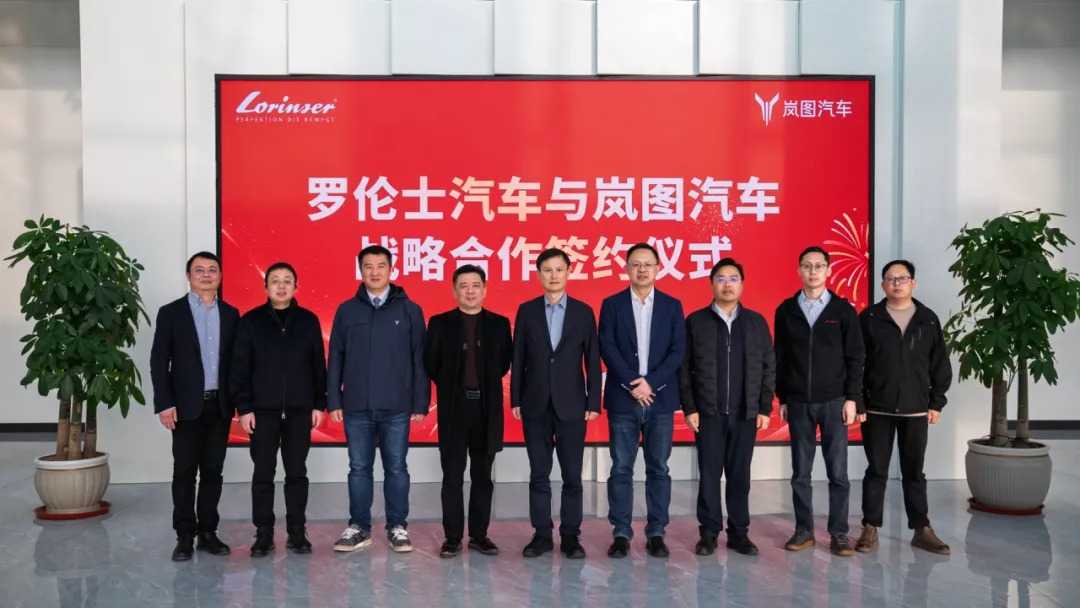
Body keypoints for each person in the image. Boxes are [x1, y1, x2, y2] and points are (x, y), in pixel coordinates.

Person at [327, 245, 429, 553]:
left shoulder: (409, 310)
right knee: (359, 468)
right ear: (360, 271)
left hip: (396, 406)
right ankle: (359, 527)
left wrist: (420, 402)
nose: (374, 272)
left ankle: (397, 526)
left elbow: (420, 359)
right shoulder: (347, 310)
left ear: (391, 269)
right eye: (368, 266)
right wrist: (334, 400)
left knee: (396, 468)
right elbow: (336, 357)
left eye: (380, 266)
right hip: (356, 405)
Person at [855, 259, 953, 555]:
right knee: (876, 470)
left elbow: (940, 363)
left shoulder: (928, 319)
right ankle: (870, 528)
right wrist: (858, 401)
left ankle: (921, 529)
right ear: (883, 284)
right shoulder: (869, 318)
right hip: (877, 409)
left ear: (913, 283)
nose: (896, 283)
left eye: (902, 278)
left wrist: (936, 402)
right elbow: (856, 363)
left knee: (914, 471)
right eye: (891, 278)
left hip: (916, 409)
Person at [230, 262, 327, 557]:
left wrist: (319, 403)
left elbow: (318, 366)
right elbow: (240, 368)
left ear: (296, 286)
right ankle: (264, 533)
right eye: (275, 280)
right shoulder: (251, 321)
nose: (281, 286)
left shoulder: (308, 321)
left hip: (299, 411)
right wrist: (244, 408)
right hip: (262, 412)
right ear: (266, 286)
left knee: (297, 473)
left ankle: (297, 532)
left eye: (287, 281)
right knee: (263, 473)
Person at [680, 258, 775, 556]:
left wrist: (764, 408)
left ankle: (739, 533)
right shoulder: (696, 322)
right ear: (712, 284)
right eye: (721, 279)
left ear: (742, 285)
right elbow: (684, 369)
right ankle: (708, 533)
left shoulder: (756, 322)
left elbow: (768, 366)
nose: (727, 284)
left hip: (745, 414)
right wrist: (690, 408)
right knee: (709, 476)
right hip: (708, 414)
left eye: (733, 278)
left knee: (739, 476)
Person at [511, 248, 602, 559]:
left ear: (568, 272)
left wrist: (593, 401)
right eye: (547, 270)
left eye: (559, 270)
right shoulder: (526, 311)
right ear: (539, 275)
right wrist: (516, 398)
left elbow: (592, 359)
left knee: (572, 475)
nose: (553, 275)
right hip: (534, 403)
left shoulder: (583, 312)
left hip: (573, 405)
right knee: (539, 473)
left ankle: (571, 536)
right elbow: (519, 357)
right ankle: (541, 535)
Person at [774, 246, 865, 556]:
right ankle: (804, 530)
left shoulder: (843, 311)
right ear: (798, 270)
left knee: (838, 473)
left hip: (834, 402)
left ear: (828, 270)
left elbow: (856, 357)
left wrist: (853, 399)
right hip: (798, 403)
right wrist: (783, 397)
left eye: (818, 266)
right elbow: (780, 357)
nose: (812, 271)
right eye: (807, 266)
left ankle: (839, 533)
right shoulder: (786, 310)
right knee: (800, 473)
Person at [598, 242, 686, 559]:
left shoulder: (672, 305)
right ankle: (621, 532)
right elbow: (607, 346)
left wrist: (652, 383)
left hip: (660, 400)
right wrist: (633, 383)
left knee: (658, 468)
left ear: (658, 268)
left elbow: (678, 350)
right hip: (624, 399)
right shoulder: (612, 304)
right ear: (627, 268)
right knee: (621, 468)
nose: (642, 269)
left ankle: (656, 532)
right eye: (636, 264)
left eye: (648, 264)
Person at [150, 251, 239, 561]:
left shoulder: (231, 314)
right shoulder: (171, 313)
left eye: (212, 270)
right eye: (199, 270)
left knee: (213, 472)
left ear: (220, 276)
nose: (206, 275)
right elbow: (159, 361)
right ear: (189, 276)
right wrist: (164, 403)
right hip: (186, 407)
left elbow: (237, 363)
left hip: (220, 406)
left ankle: (208, 533)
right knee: (185, 472)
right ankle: (185, 535)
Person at [424, 264, 513, 558]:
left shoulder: (499, 324)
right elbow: (431, 363)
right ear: (454, 290)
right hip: (454, 408)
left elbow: (503, 363)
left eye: (476, 285)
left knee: (482, 475)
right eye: (463, 286)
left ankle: (479, 535)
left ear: (485, 289)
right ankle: (452, 538)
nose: (470, 291)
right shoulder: (440, 323)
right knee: (452, 475)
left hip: (486, 409)